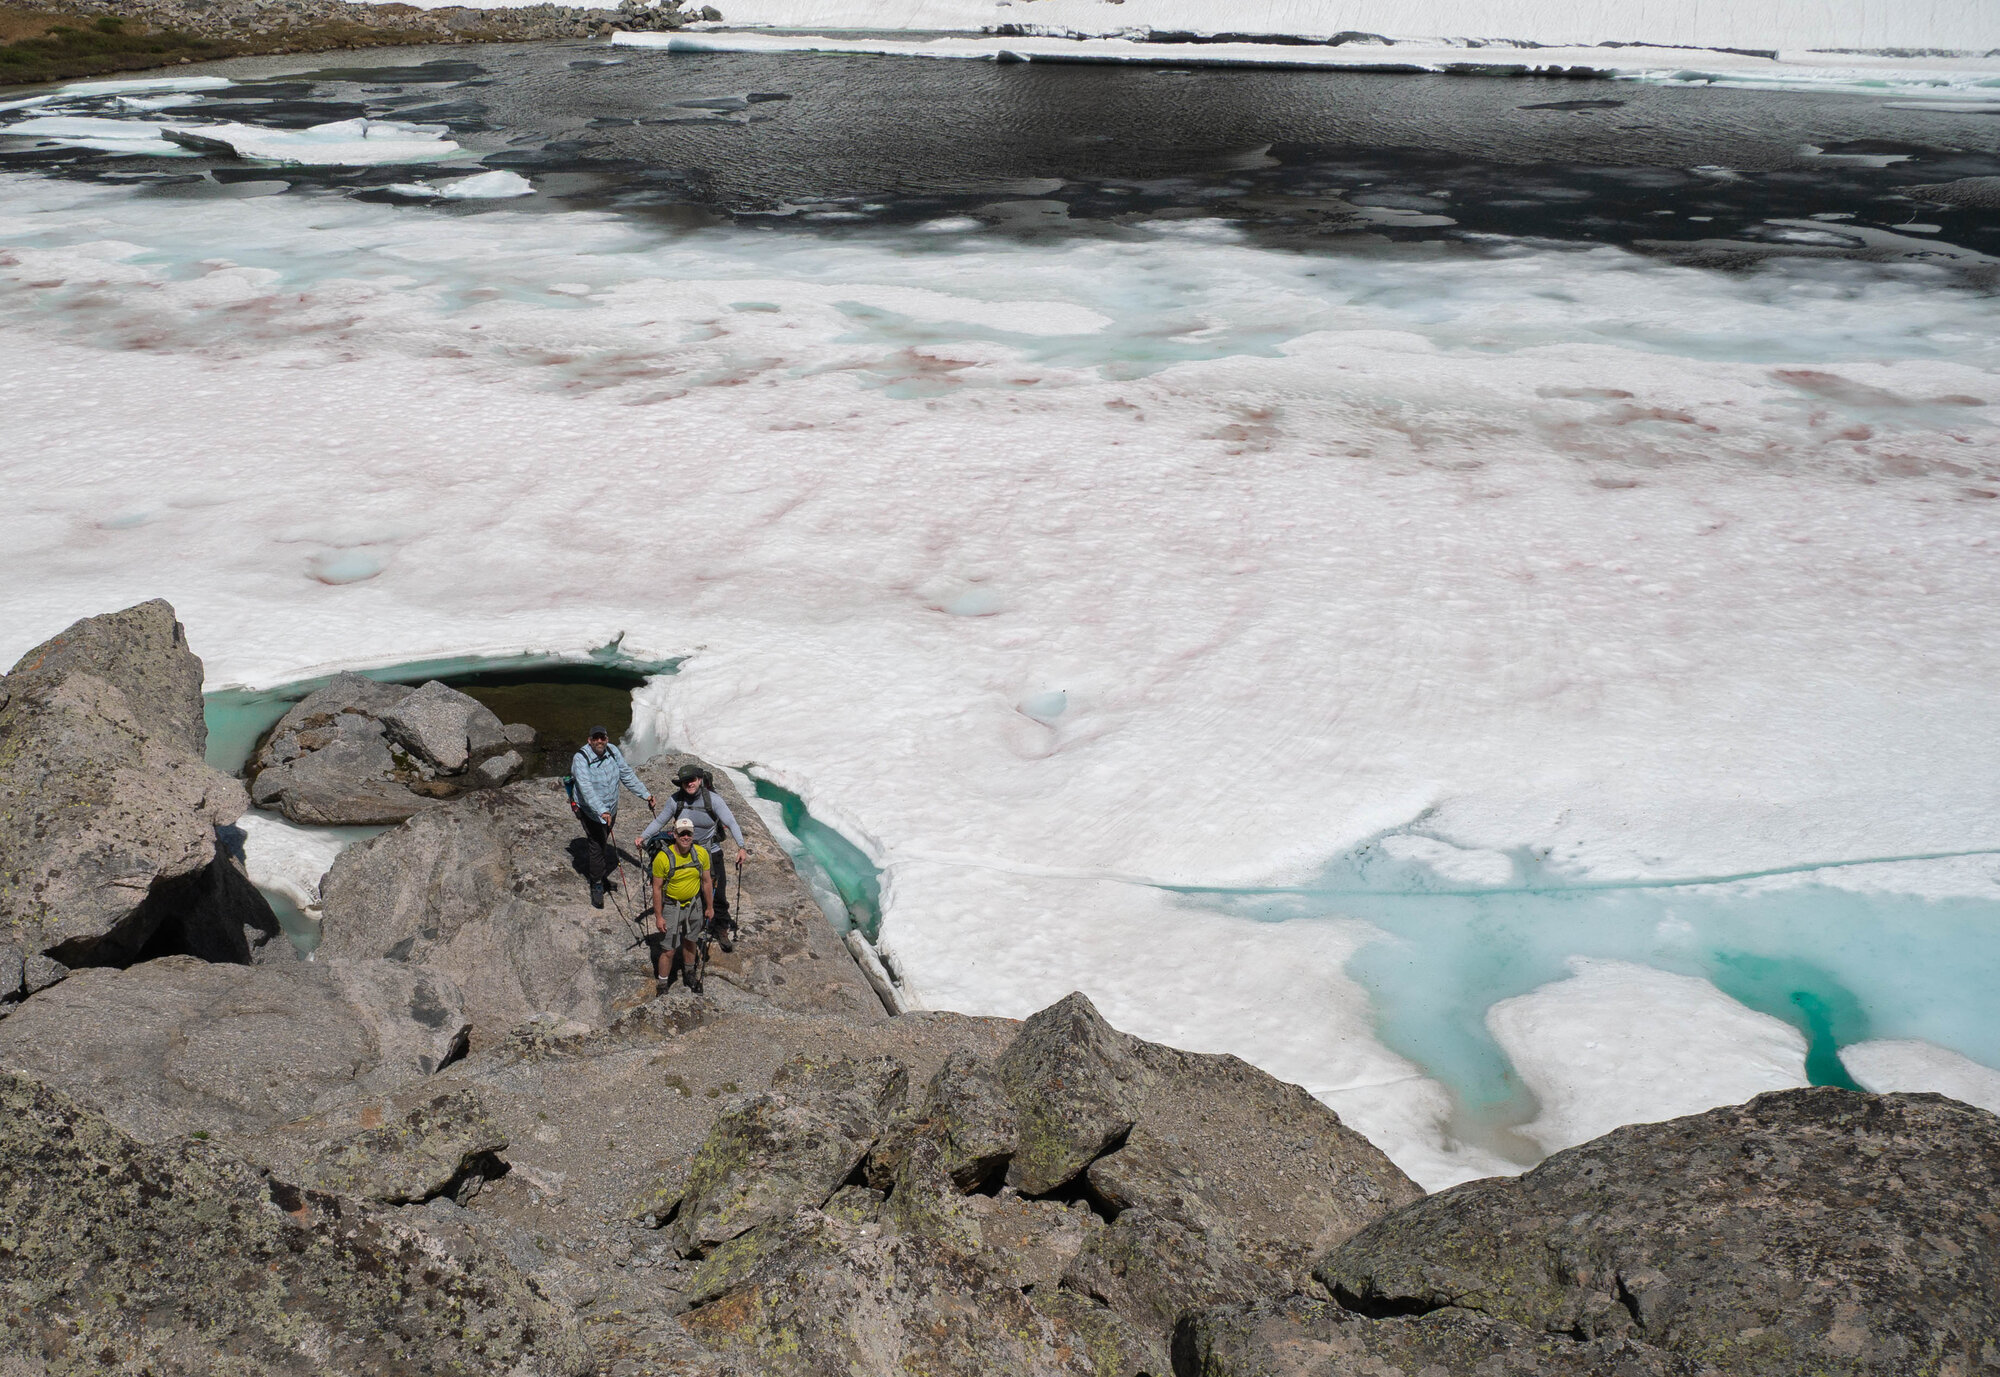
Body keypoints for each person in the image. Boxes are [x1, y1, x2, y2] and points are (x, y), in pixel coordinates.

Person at [636, 763, 749, 950]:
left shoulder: (713, 800)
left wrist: (742, 847)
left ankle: (720, 928)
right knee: (692, 893)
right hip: (685, 853)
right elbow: (660, 821)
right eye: (685, 781)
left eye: (693, 780)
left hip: (710, 852)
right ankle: (693, 928)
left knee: (717, 894)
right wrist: (643, 836)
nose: (689, 784)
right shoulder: (675, 801)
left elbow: (731, 821)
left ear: (700, 780)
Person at [570, 726, 655, 909]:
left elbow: (626, 775)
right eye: (596, 738)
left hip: (610, 810)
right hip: (591, 812)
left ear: (607, 739)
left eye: (603, 738)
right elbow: (585, 789)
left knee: (601, 843)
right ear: (589, 740)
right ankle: (597, 884)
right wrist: (601, 810)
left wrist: (645, 794)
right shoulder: (580, 759)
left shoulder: (613, 751)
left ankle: (600, 876)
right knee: (596, 844)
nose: (600, 741)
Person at [649, 815, 712, 992]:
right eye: (682, 833)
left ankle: (689, 974)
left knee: (691, 940)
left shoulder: (701, 853)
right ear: (674, 834)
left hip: (694, 905)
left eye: (689, 834)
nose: (685, 837)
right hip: (671, 906)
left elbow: (707, 881)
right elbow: (657, 888)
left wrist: (709, 907)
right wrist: (659, 916)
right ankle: (662, 984)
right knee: (668, 949)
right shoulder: (662, 858)